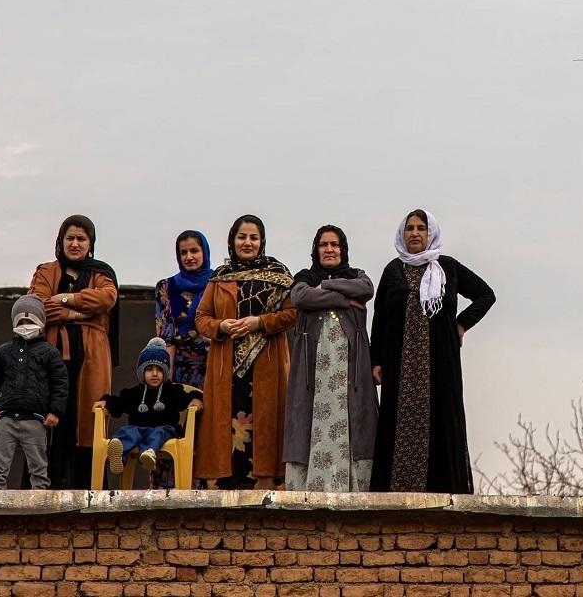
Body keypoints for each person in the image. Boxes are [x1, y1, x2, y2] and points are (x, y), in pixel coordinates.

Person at [370, 209, 496, 493]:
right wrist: (375, 360)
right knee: (398, 422)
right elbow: (379, 319)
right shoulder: (393, 271)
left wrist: (462, 324)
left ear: (431, 234)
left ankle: (443, 489)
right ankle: (398, 490)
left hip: (440, 363)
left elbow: (485, 294)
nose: (415, 233)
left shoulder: (447, 268)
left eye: (421, 228)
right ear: (402, 234)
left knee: (441, 419)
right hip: (400, 364)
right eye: (410, 228)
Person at [194, 214, 296, 489]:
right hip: (226, 365)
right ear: (232, 240)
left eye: (253, 237)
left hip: (267, 365)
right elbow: (201, 318)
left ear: (262, 241)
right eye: (242, 237)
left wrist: (259, 322)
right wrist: (221, 326)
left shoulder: (279, 275)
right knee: (224, 424)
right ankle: (225, 484)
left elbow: (292, 314)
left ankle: (265, 483)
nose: (248, 243)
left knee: (266, 423)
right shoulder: (219, 278)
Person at [28, 214, 119, 489]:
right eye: (70, 238)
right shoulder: (46, 271)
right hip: (51, 359)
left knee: (88, 424)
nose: (75, 244)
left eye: (81, 239)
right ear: (61, 241)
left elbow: (107, 298)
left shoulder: (102, 273)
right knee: (50, 423)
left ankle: (89, 491)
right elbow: (38, 306)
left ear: (90, 243)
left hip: (91, 359)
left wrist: (66, 300)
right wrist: (80, 313)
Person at [284, 225, 377, 492]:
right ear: (316, 249)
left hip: (351, 369)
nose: (329, 249)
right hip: (313, 369)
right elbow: (301, 296)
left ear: (343, 249)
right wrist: (345, 301)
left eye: (334, 245)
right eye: (323, 245)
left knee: (354, 423)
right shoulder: (304, 277)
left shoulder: (356, 276)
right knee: (308, 419)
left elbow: (366, 288)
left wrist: (326, 285)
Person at [0, 295, 69, 490]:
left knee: (38, 466)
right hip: (6, 419)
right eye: (21, 321)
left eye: (30, 321)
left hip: (35, 420)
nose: (25, 325)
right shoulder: (4, 352)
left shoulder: (50, 353)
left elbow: (60, 384)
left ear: (40, 323)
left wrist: (55, 411)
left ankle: (39, 500)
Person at [93, 338, 204, 476]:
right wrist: (105, 402)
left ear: (165, 372)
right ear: (142, 373)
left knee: (159, 432)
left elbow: (188, 397)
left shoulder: (172, 391)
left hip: (166, 428)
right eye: (149, 369)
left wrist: (195, 399)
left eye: (159, 370)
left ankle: (149, 452)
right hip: (139, 428)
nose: (155, 374)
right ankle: (118, 454)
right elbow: (118, 403)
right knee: (127, 431)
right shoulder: (134, 393)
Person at [153, 230, 212, 488]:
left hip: (214, 365)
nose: (189, 257)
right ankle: (170, 490)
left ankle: (208, 489)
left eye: (194, 251)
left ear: (205, 252)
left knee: (208, 428)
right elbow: (166, 335)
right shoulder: (166, 288)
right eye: (183, 252)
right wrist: (165, 381)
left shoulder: (219, 283)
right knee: (175, 425)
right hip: (179, 369)